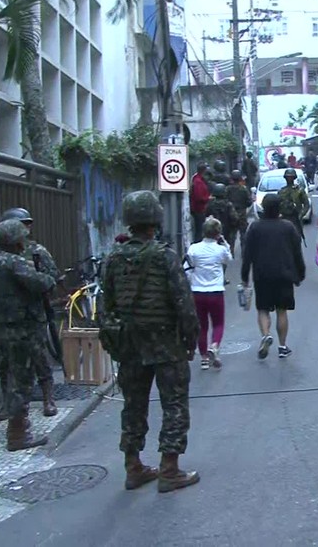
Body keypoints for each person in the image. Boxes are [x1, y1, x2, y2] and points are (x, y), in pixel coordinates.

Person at [99, 190, 200, 492]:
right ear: (155, 219)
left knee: (133, 404)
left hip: (129, 344)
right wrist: (190, 340)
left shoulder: (112, 259)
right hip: (165, 342)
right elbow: (184, 303)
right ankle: (169, 468)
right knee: (174, 404)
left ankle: (134, 466)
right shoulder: (165, 256)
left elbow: (106, 306)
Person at [0, 220, 56, 451]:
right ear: (15, 241)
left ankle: (17, 426)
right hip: (23, 327)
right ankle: (18, 433)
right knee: (22, 380)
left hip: (3, 326)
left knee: (10, 373)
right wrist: (47, 278)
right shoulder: (13, 263)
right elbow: (42, 282)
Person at [0, 207, 60, 420]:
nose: (27, 228)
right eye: (22, 224)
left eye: (27, 224)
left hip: (33, 313)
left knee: (40, 358)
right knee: (5, 362)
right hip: (7, 317)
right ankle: (6, 403)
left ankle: (49, 398)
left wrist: (36, 274)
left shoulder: (38, 251)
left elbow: (52, 276)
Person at [241, 194, 305, 360]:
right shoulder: (288, 227)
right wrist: (300, 273)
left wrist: (244, 276)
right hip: (284, 274)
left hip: (262, 275)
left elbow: (247, 255)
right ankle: (282, 346)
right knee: (282, 311)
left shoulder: (255, 228)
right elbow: (297, 252)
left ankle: (266, 335)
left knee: (263, 309)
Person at [185, 217, 233, 370]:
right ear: (218, 233)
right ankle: (214, 346)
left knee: (202, 325)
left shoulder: (193, 248)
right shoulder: (220, 250)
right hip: (216, 291)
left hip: (197, 291)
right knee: (218, 323)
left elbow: (188, 268)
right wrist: (224, 242)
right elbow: (228, 259)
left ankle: (204, 358)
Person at [277, 168, 310, 237]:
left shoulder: (299, 190)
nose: (289, 179)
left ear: (294, 178)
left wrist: (301, 215)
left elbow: (306, 204)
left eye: (291, 177)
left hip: (296, 218)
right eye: (288, 177)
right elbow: (277, 205)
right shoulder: (281, 191)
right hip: (284, 218)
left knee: (296, 238)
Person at [226, 170, 253, 256]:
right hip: (242, 214)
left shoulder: (228, 189)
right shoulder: (244, 189)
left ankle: (231, 252)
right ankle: (244, 252)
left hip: (231, 214)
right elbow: (249, 202)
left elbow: (225, 200)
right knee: (243, 234)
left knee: (232, 234)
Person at [190, 162, 211, 242]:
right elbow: (199, 197)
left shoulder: (197, 179)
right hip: (198, 209)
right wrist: (208, 198)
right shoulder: (198, 182)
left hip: (199, 209)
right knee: (199, 230)